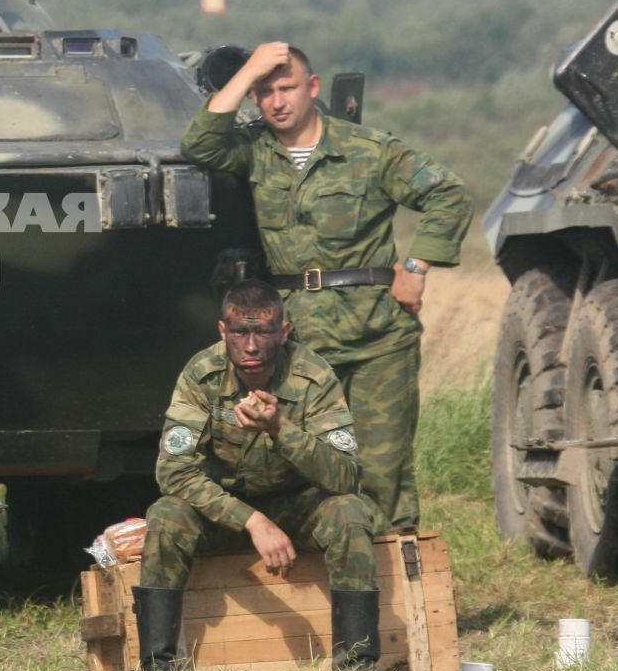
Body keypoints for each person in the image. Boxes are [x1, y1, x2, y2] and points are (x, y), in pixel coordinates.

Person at [182, 41, 471, 531]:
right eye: (264, 92)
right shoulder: (253, 153)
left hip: (378, 335)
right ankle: (326, 580)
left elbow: (448, 193)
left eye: (286, 87)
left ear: (312, 88)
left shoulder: (369, 150)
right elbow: (199, 143)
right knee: (302, 462)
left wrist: (417, 266)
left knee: (383, 470)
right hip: (301, 340)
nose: (276, 101)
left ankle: (391, 590)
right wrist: (249, 69)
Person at [136, 280, 381, 671]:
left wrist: (281, 429)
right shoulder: (203, 376)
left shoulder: (313, 377)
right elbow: (173, 471)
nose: (251, 346)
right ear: (223, 332)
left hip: (299, 507)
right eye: (240, 333)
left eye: (263, 333)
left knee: (350, 513)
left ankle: (357, 669)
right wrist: (252, 521)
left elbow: (346, 475)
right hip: (226, 513)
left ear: (282, 333)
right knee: (166, 515)